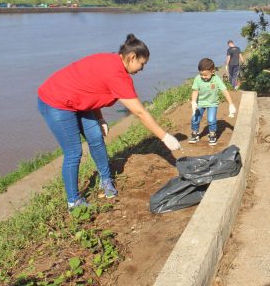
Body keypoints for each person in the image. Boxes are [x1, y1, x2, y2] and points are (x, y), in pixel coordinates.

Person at [38, 34, 182, 211]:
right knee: (74, 152)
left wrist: (99, 117)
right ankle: (73, 201)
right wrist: (164, 136)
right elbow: (139, 112)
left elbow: (91, 88)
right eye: (142, 64)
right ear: (132, 57)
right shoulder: (118, 75)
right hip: (55, 102)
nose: (142, 69)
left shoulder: (113, 60)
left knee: (96, 137)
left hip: (77, 100)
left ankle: (105, 180)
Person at [189, 58, 237, 146]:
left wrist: (231, 104)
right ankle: (195, 132)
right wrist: (193, 102)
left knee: (211, 120)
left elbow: (224, 90)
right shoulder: (197, 79)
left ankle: (212, 134)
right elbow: (195, 91)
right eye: (201, 74)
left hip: (212, 103)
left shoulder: (216, 79)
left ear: (213, 71)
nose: (203, 77)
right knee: (195, 119)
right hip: (200, 103)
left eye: (206, 75)